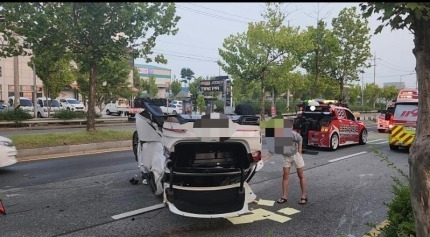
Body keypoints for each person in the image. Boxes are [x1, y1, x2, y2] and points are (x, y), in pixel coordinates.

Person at [262, 118, 308, 205]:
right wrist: (264, 159)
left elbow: (300, 139)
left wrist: (300, 151)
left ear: (291, 127)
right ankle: (284, 196)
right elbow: (272, 150)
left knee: (300, 175)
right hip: (286, 156)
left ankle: (304, 195)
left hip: (296, 155)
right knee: (285, 174)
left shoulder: (294, 134)